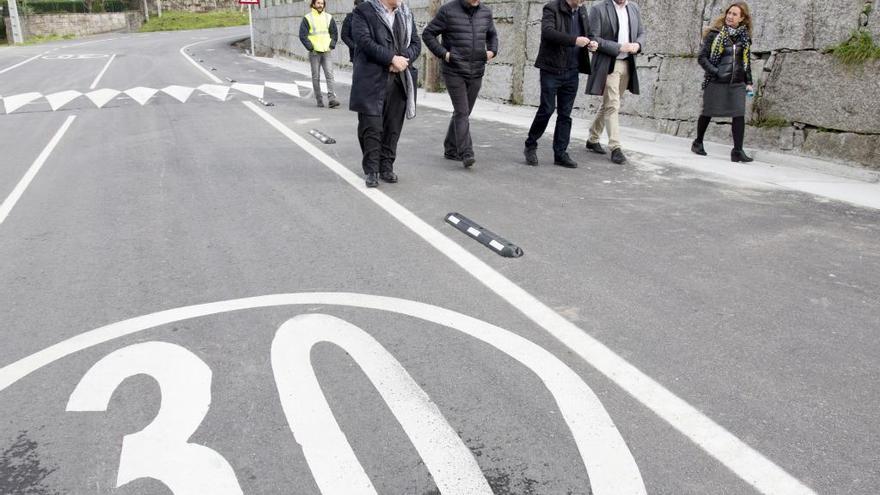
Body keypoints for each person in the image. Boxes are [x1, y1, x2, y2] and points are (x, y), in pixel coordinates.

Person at [350, 0, 421, 188]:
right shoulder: (363, 11)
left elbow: (416, 42)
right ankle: (372, 170)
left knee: (393, 126)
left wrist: (404, 59)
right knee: (371, 126)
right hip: (371, 78)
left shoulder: (405, 13)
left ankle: (386, 166)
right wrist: (391, 59)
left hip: (400, 78)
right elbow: (364, 41)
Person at [422, 0, 498, 168]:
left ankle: (450, 148)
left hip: (477, 70)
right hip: (454, 70)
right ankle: (466, 152)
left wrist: (492, 51)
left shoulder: (486, 12)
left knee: (462, 112)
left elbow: (492, 34)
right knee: (462, 111)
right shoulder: (448, 10)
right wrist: (445, 54)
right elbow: (428, 34)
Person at [584, 0, 646, 165]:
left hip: (628, 63)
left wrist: (638, 45)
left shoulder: (633, 8)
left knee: (609, 104)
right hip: (609, 63)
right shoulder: (598, 8)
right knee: (613, 104)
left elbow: (641, 32)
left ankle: (593, 138)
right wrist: (619, 47)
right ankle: (615, 147)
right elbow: (593, 37)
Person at [692, 2, 755, 162]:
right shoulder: (714, 34)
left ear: (742, 19)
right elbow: (702, 58)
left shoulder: (745, 38)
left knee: (738, 114)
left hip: (737, 82)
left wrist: (749, 82)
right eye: (729, 13)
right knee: (708, 111)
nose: (730, 16)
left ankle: (737, 151)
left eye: (735, 14)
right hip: (716, 81)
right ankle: (698, 142)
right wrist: (716, 72)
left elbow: (745, 62)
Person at [299, 0, 340, 108]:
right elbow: (302, 35)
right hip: (314, 52)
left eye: (322, 3)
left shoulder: (328, 17)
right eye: (318, 3)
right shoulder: (308, 18)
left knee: (330, 75)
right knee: (316, 77)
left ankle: (332, 99)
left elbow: (334, 33)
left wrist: (332, 44)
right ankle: (319, 100)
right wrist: (310, 47)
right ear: (313, 4)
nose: (320, 5)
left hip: (326, 51)